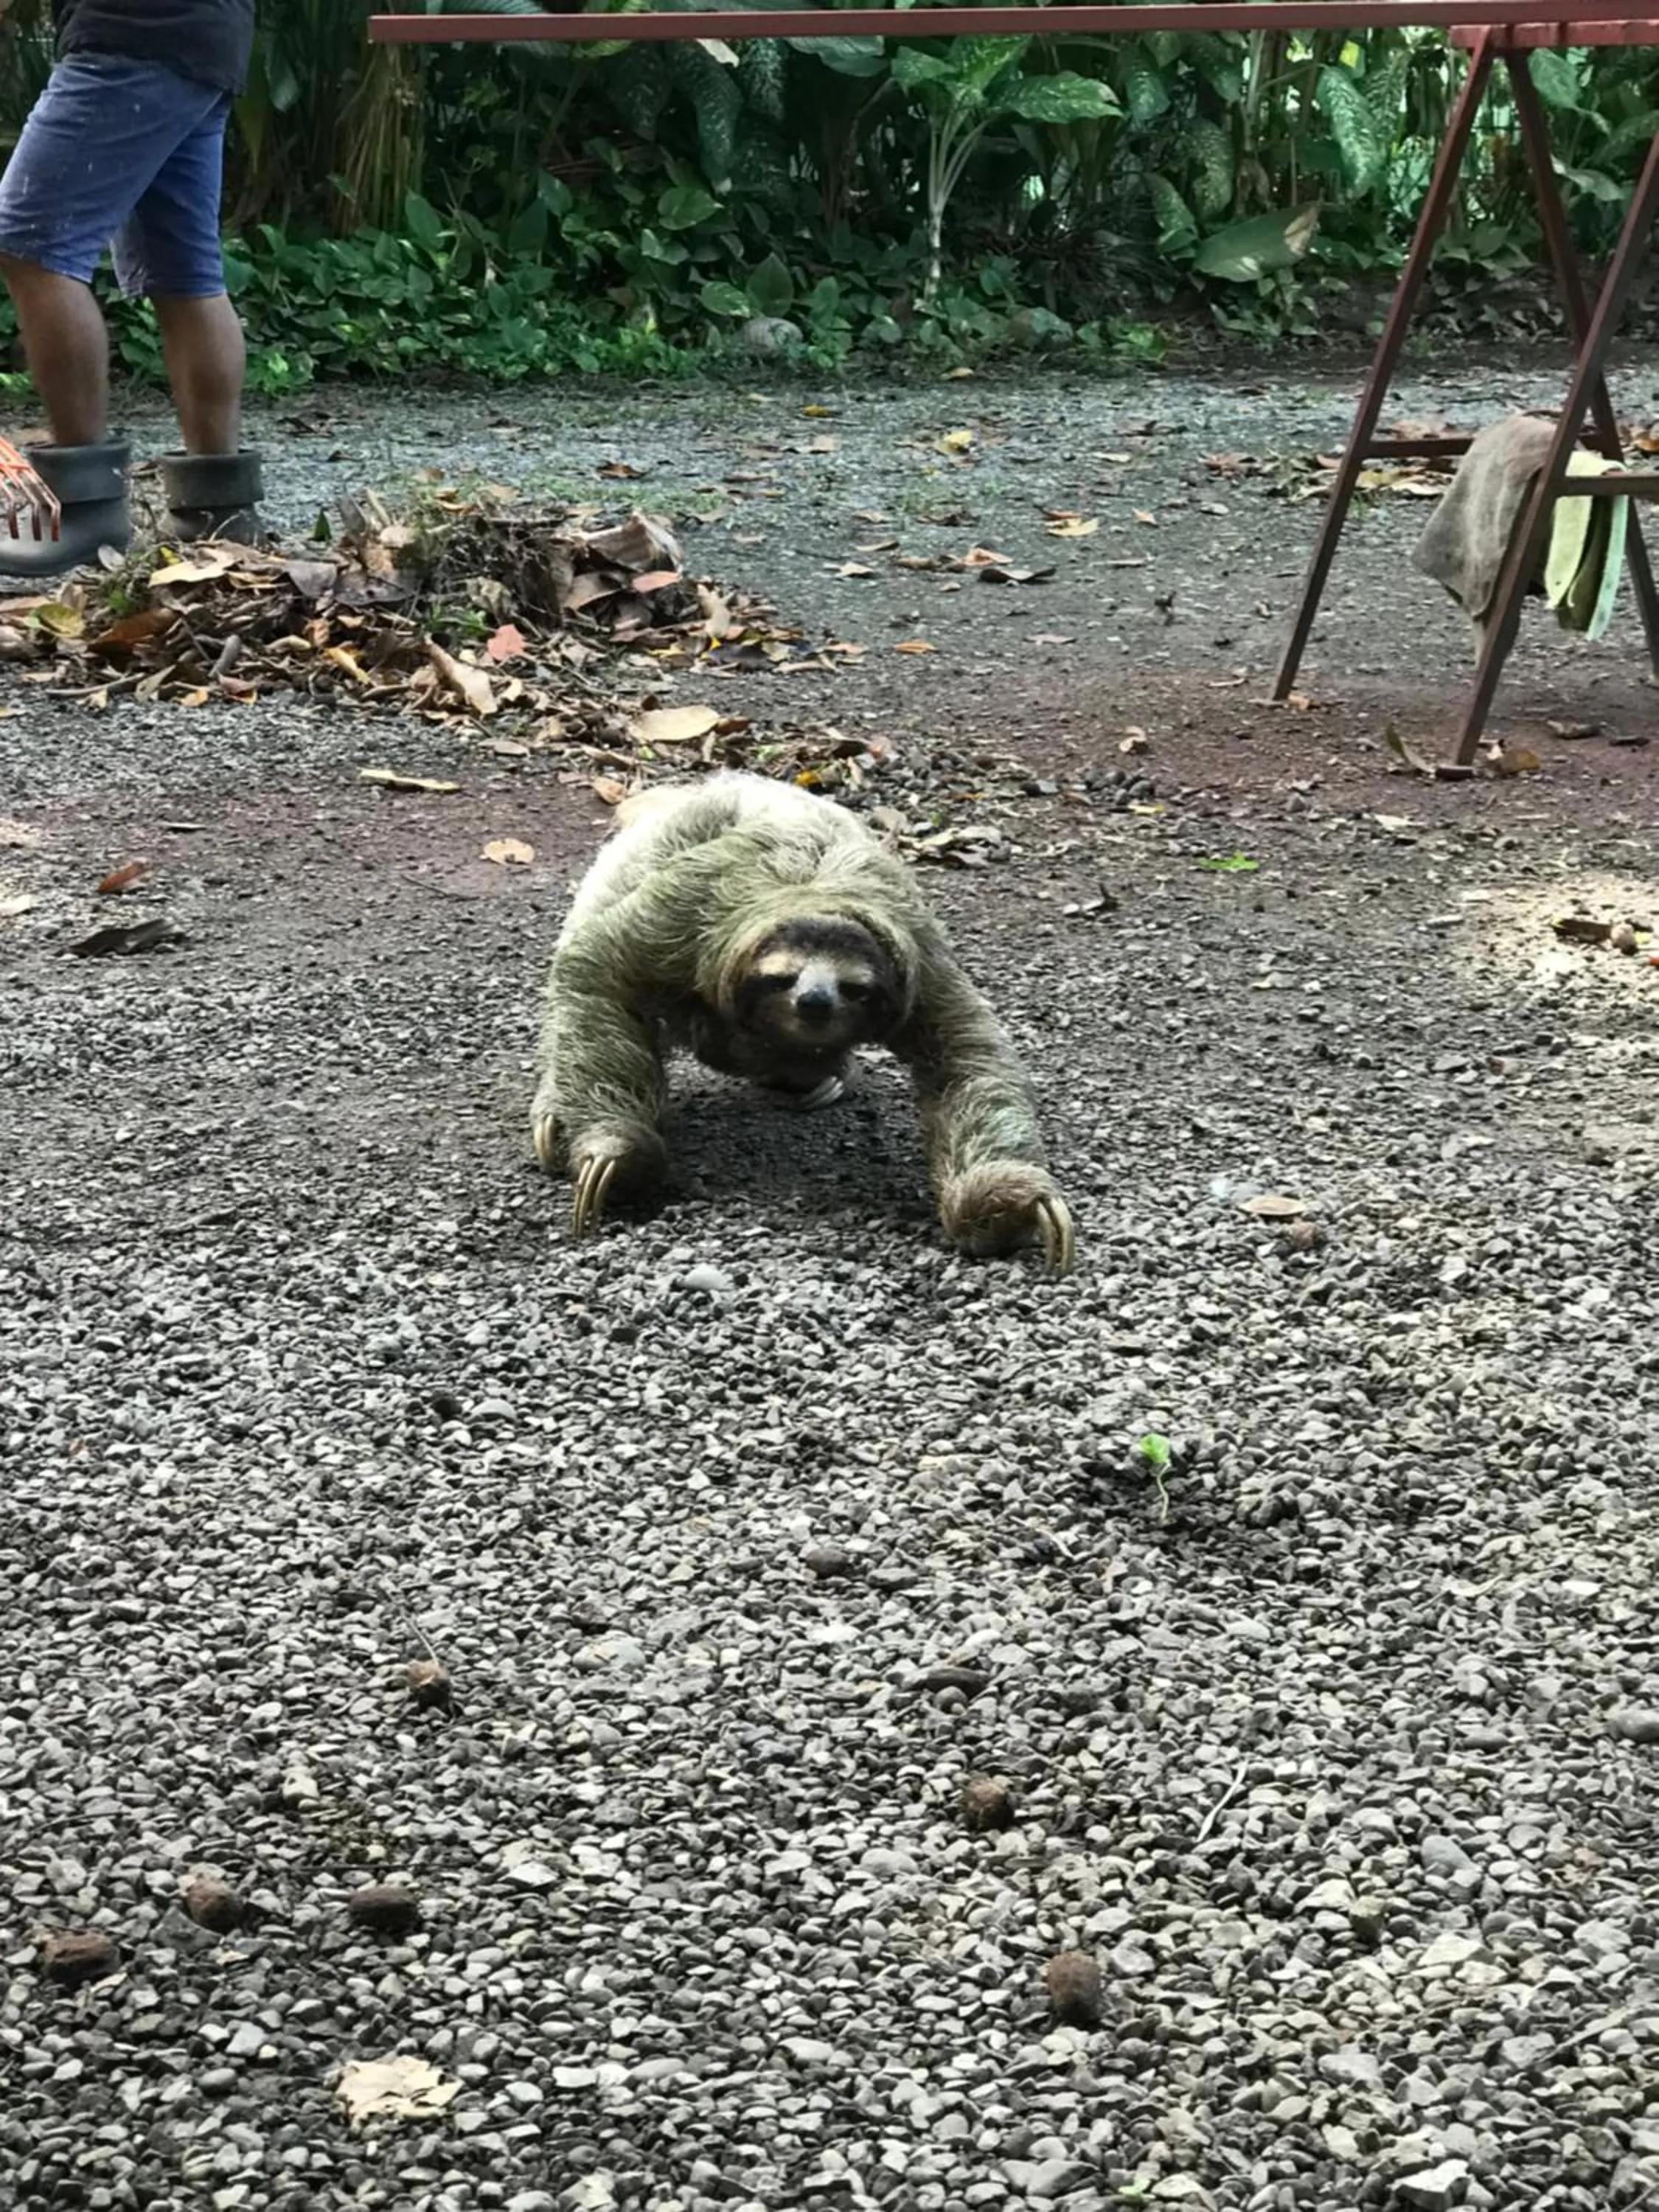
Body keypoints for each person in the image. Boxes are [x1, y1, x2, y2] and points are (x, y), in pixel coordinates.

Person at [0, 0, 262, 578]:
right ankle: (217, 510)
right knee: (184, 272)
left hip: (134, 32)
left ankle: (82, 507)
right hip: (200, 36)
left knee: (28, 245)